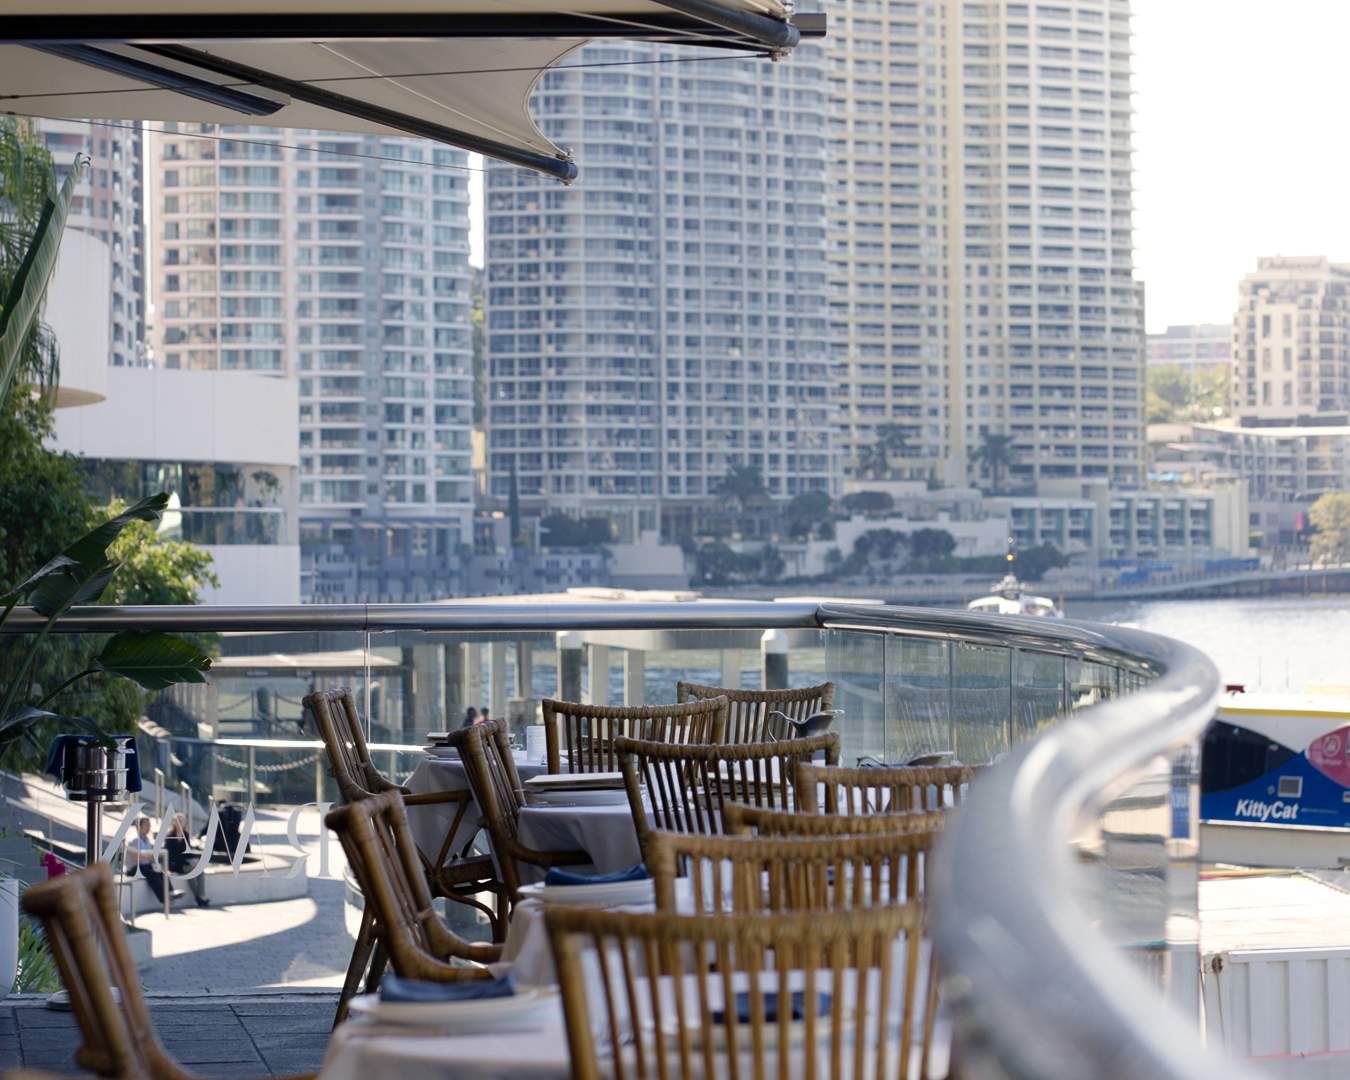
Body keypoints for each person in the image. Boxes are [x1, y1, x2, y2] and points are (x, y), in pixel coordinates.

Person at [127, 817, 182, 907]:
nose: (149, 827)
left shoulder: (148, 840)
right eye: (147, 825)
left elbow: (152, 856)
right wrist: (147, 857)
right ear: (139, 826)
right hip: (134, 868)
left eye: (149, 825)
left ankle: (171, 892)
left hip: (146, 866)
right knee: (150, 871)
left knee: (160, 871)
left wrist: (147, 857)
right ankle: (164, 898)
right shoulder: (133, 840)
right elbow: (135, 857)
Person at [164, 812, 210, 907]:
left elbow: (188, 852)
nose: (180, 823)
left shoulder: (185, 834)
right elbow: (172, 855)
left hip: (184, 864)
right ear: (174, 823)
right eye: (178, 821)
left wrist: (194, 861)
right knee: (191, 872)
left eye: (182, 821)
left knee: (199, 870)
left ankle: (200, 896)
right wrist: (187, 862)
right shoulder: (170, 836)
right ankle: (199, 898)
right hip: (174, 865)